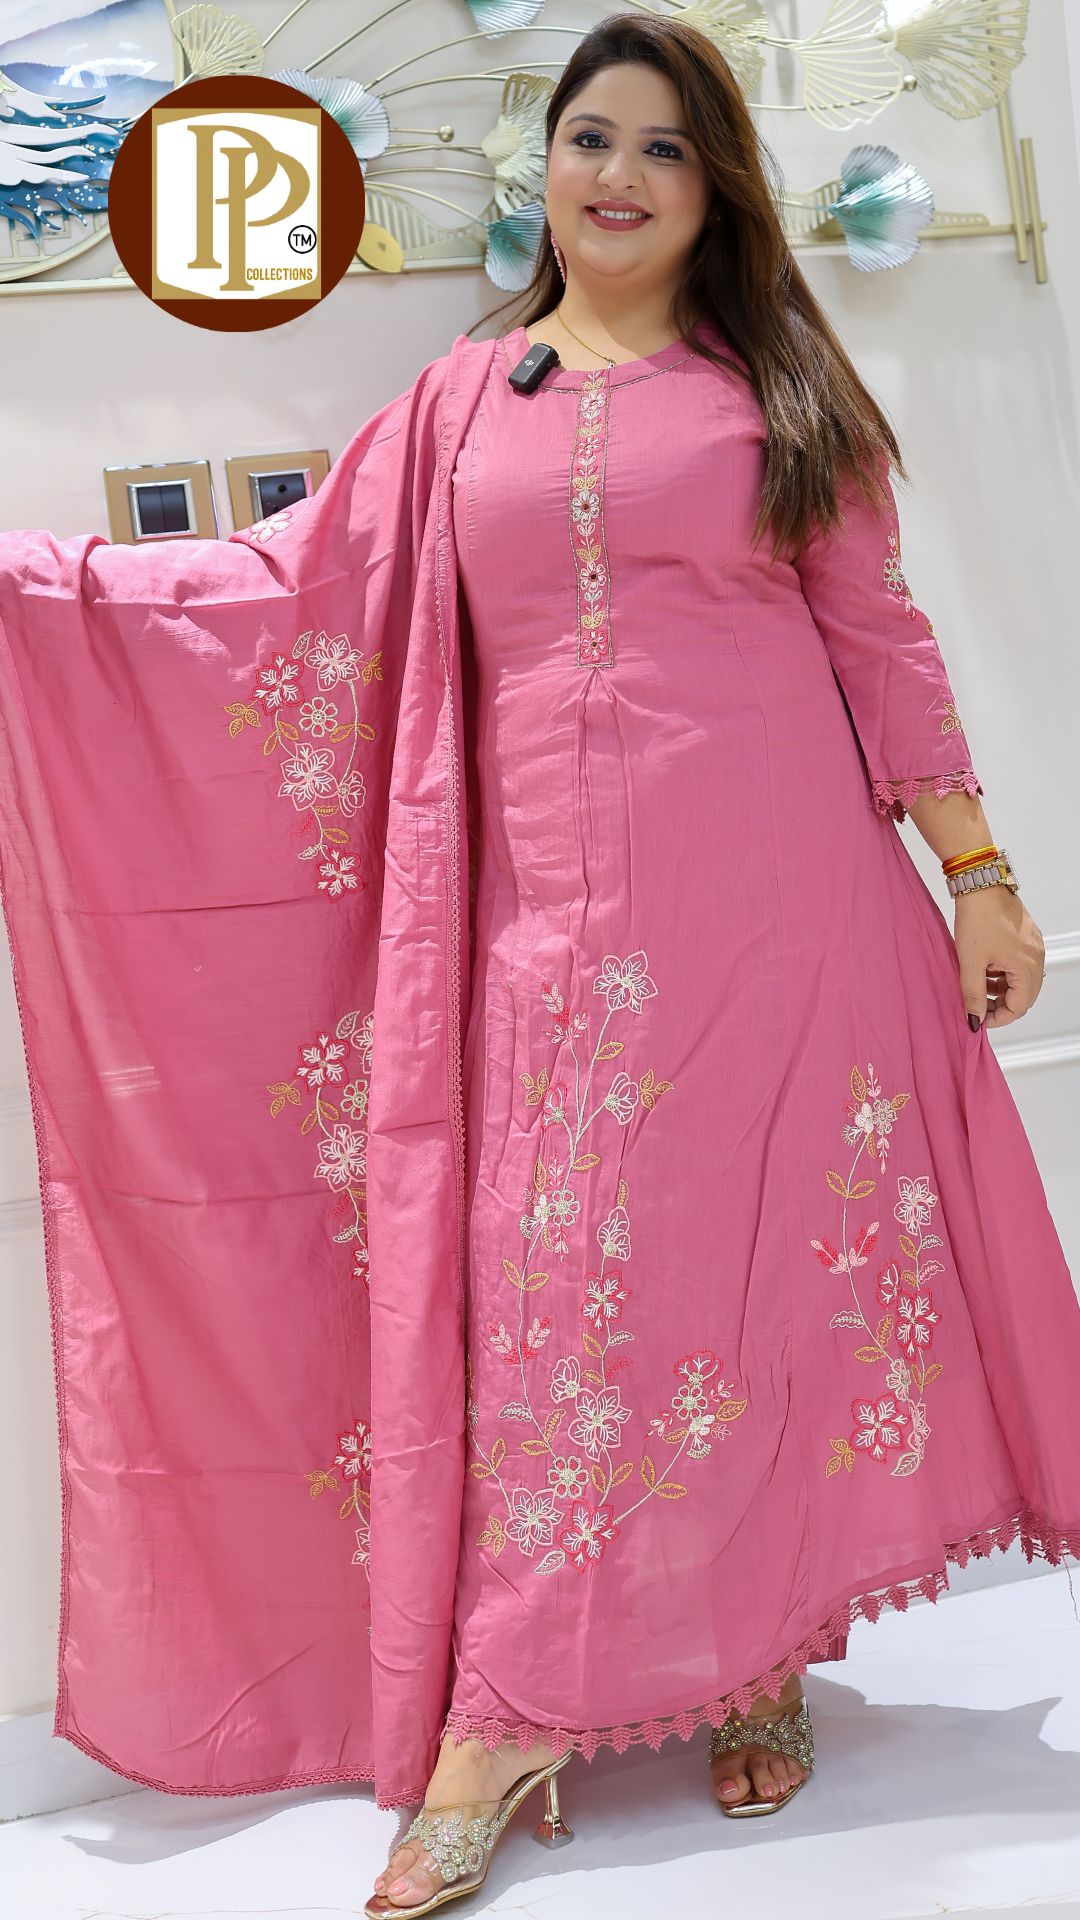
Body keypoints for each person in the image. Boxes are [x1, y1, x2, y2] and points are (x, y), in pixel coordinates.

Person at [362, 14, 1079, 1919]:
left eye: (665, 149)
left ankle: (760, 1654)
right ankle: (503, 1714)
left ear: (717, 191)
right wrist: (71, 594)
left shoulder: (774, 388)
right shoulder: (459, 402)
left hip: (781, 911)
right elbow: (316, 590)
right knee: (563, 1294)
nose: (619, 175)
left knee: (764, 1272)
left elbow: (882, 638)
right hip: (551, 942)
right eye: (591, 138)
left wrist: (984, 877)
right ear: (543, 171)